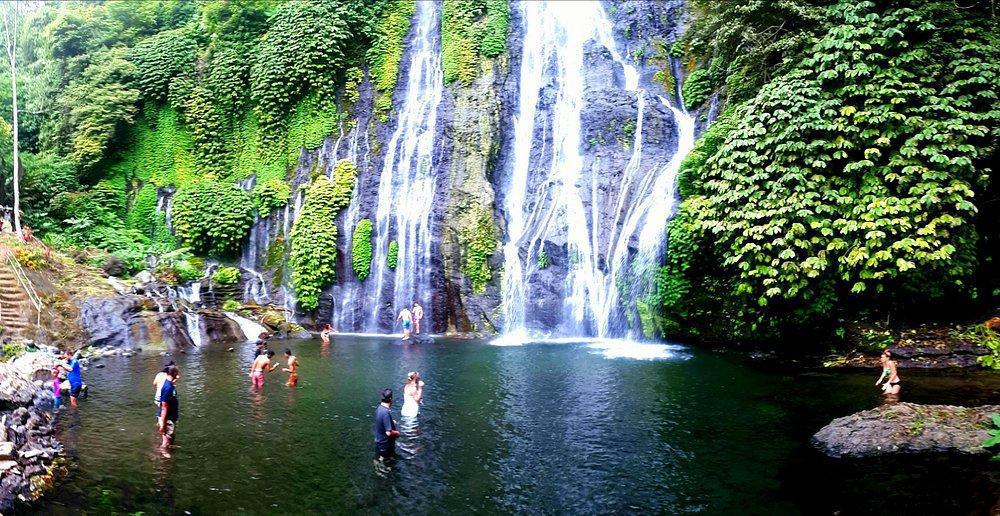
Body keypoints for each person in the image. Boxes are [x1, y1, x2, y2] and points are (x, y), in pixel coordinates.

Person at [158, 366, 180, 457]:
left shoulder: (170, 385)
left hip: (171, 416)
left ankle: (169, 446)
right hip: (168, 417)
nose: (178, 376)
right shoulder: (168, 388)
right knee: (166, 437)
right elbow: (164, 407)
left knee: (171, 436)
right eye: (177, 373)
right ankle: (162, 450)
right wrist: (163, 424)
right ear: (174, 373)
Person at [373, 388, 399, 460]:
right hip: (385, 445)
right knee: (386, 465)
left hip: (379, 441)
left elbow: (380, 422)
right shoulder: (385, 413)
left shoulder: (379, 408)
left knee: (380, 460)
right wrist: (397, 433)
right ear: (390, 399)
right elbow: (388, 433)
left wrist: (391, 422)